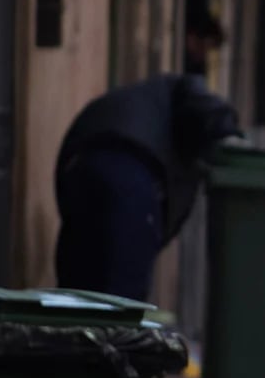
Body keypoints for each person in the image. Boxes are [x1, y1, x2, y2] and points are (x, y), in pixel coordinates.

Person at [53, 73, 242, 302]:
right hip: (131, 176)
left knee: (75, 291)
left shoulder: (150, 102)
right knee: (121, 303)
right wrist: (232, 138)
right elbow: (209, 110)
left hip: (81, 164)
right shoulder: (187, 91)